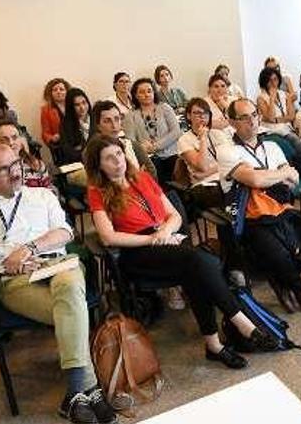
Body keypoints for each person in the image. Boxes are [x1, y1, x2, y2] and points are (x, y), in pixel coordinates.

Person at [84, 135, 280, 369]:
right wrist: (152, 238)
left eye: (118, 153)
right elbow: (108, 237)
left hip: (167, 239)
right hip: (136, 251)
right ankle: (242, 325)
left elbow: (174, 215)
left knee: (197, 269)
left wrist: (165, 232)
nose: (117, 161)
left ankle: (215, 345)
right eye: (109, 158)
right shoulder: (98, 191)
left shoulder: (142, 178)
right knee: (197, 261)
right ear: (99, 165)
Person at [0, 142, 115, 424]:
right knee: (73, 309)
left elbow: (65, 231)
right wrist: (1, 265)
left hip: (57, 264)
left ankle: (77, 392)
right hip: (14, 278)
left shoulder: (42, 195)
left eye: (15, 163)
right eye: (3, 169)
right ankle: (86, 388)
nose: (14, 171)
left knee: (69, 290)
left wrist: (30, 247)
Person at [219, 99, 301, 313]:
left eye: (254, 114)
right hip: (251, 218)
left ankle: (280, 280)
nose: (251, 121)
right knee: (278, 254)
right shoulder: (227, 151)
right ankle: (297, 286)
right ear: (232, 122)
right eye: (243, 117)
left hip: (281, 209)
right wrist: (279, 174)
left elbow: (295, 179)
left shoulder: (272, 146)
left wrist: (270, 175)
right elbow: (256, 181)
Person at [124, 78, 183, 179]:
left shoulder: (165, 108)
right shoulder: (131, 115)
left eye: (149, 91)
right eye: (141, 92)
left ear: (154, 92)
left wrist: (156, 146)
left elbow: (176, 131)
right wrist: (142, 148)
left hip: (171, 153)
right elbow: (130, 140)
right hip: (147, 157)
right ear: (135, 95)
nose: (146, 94)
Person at [176, 98, 229, 208]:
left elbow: (231, 161)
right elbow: (202, 166)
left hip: (224, 177)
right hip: (205, 185)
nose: (202, 116)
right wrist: (203, 139)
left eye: (205, 113)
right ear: (189, 116)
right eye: (197, 113)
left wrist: (206, 173)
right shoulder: (184, 140)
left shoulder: (218, 134)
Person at [89, 101, 156, 181]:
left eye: (117, 119)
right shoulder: (93, 152)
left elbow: (152, 172)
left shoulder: (131, 145)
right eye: (107, 121)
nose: (114, 125)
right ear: (98, 126)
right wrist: (137, 175)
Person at [0, 120, 57, 196]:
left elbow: (51, 192)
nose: (11, 143)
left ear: (21, 140)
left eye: (15, 137)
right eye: (4, 140)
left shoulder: (36, 165)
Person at [256, 66, 301, 157]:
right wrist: (271, 98)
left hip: (285, 128)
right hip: (271, 130)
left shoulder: (285, 95)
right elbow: (271, 117)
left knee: (299, 139)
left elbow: (291, 116)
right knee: (294, 141)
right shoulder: (261, 98)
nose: (273, 83)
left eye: (275, 79)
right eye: (269, 80)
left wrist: (277, 120)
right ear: (264, 82)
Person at [55, 87, 93, 168]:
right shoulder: (65, 125)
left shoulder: (96, 118)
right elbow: (68, 153)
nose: (82, 107)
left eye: (84, 102)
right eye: (77, 105)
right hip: (79, 164)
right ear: (71, 107)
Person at [41, 78, 71, 150]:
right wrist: (52, 138)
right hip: (60, 145)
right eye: (55, 90)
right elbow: (45, 133)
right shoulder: (46, 110)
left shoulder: (73, 105)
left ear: (67, 92)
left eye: (61, 89)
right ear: (50, 93)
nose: (58, 92)